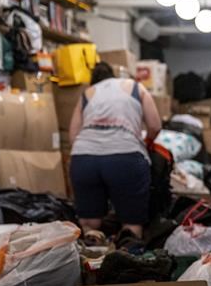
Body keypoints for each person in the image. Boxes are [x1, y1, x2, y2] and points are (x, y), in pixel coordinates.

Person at [69, 62, 161, 243]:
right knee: (131, 222)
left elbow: (73, 136)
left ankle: (92, 256)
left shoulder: (86, 94)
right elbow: (155, 125)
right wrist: (145, 142)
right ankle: (128, 253)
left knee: (90, 221)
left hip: (85, 158)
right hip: (125, 156)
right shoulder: (136, 87)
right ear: (114, 76)